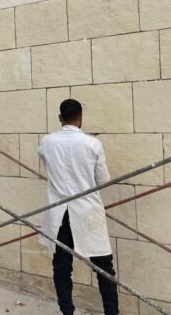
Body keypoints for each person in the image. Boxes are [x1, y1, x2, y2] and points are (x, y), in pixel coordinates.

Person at [38, 99, 118, 315]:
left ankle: (67, 312)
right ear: (81, 118)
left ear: (60, 118)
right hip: (87, 211)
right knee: (104, 267)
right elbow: (103, 180)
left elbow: (48, 169)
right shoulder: (92, 144)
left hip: (59, 213)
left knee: (62, 267)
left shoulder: (47, 142)